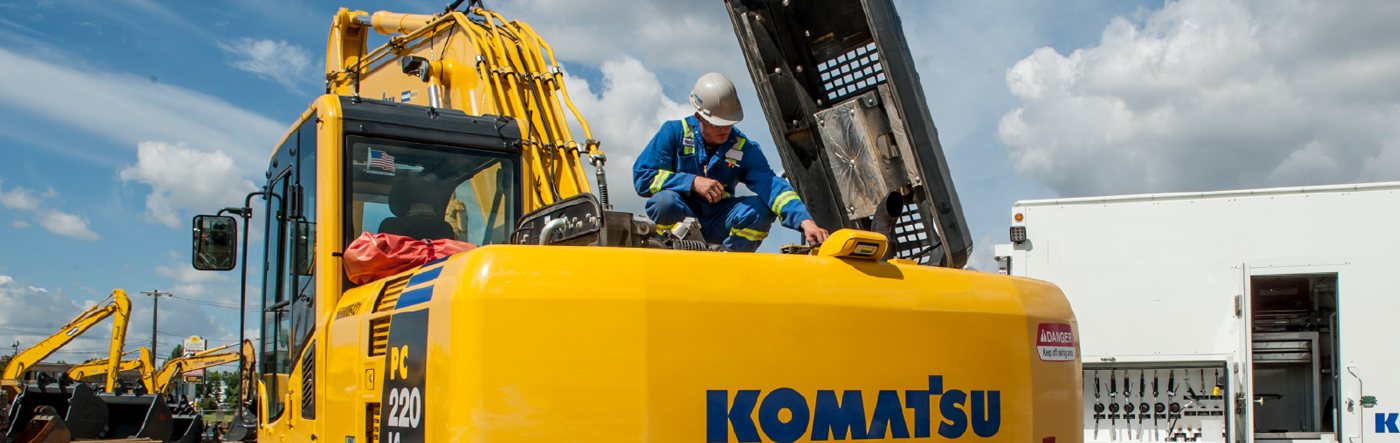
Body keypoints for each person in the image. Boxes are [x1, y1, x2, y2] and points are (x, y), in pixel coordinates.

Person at [633, 72, 829, 252]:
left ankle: (729, 260)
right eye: (717, 123)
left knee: (761, 210)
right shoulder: (674, 133)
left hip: (718, 220)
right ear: (699, 116)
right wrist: (692, 182)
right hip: (682, 215)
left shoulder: (743, 148)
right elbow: (643, 177)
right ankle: (667, 251)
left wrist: (805, 221)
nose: (724, 130)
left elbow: (771, 186)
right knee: (664, 202)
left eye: (729, 123)